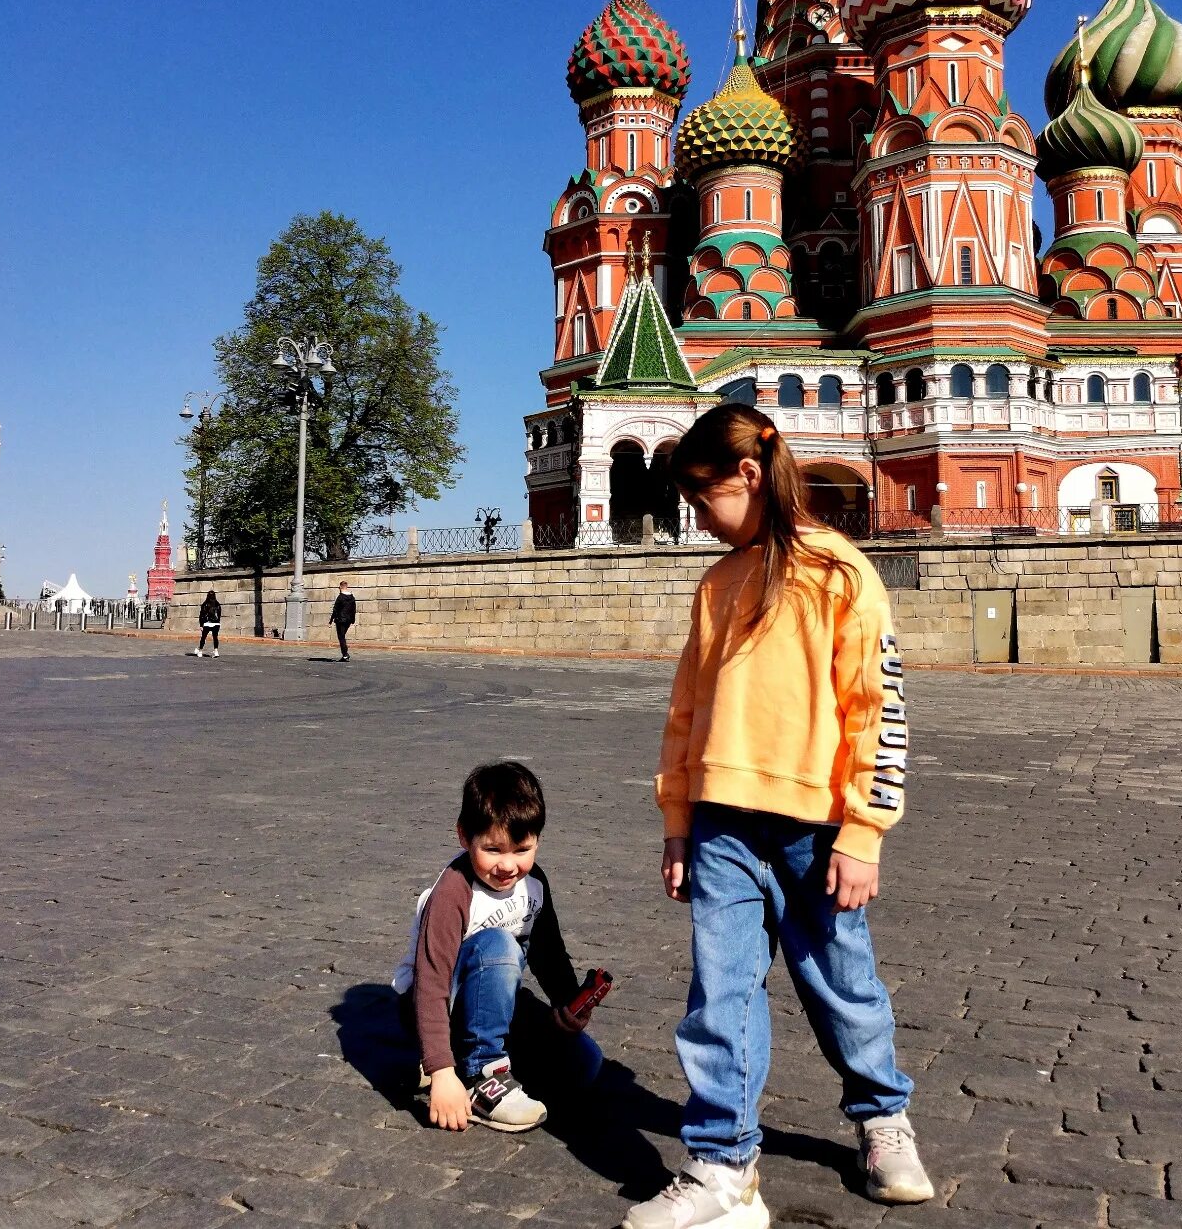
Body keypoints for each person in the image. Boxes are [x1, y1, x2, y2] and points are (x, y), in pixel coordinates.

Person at [623, 403, 931, 1229]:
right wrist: (677, 821)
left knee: (843, 987)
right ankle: (725, 1166)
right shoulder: (717, 584)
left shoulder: (839, 573)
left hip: (816, 830)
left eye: (703, 500)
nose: (697, 520)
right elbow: (686, 710)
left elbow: (877, 709)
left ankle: (881, 1118)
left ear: (750, 476)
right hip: (722, 826)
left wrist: (864, 831)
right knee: (719, 997)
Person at [390, 761, 602, 1133]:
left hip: (491, 999)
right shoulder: (452, 893)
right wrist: (442, 1072)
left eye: (521, 849)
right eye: (492, 849)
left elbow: (547, 951)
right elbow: (431, 982)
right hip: (436, 1004)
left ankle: (495, 1056)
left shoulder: (534, 883)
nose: (507, 865)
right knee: (498, 946)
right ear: (463, 837)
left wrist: (567, 1002)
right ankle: (481, 1075)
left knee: (585, 1064)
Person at [330, 581, 357, 661]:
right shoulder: (352, 597)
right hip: (348, 620)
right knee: (342, 636)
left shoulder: (340, 597)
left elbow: (335, 609)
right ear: (347, 587)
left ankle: (345, 654)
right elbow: (354, 609)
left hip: (340, 619)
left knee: (341, 637)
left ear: (340, 587)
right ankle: (345, 654)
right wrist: (353, 620)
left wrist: (331, 620)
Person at [190, 591, 221, 657]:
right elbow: (219, 614)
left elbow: (202, 615)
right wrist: (218, 622)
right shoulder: (217, 604)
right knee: (215, 637)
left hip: (207, 623)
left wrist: (201, 625)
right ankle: (216, 651)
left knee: (203, 637)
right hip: (216, 623)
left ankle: (200, 651)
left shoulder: (205, 604)